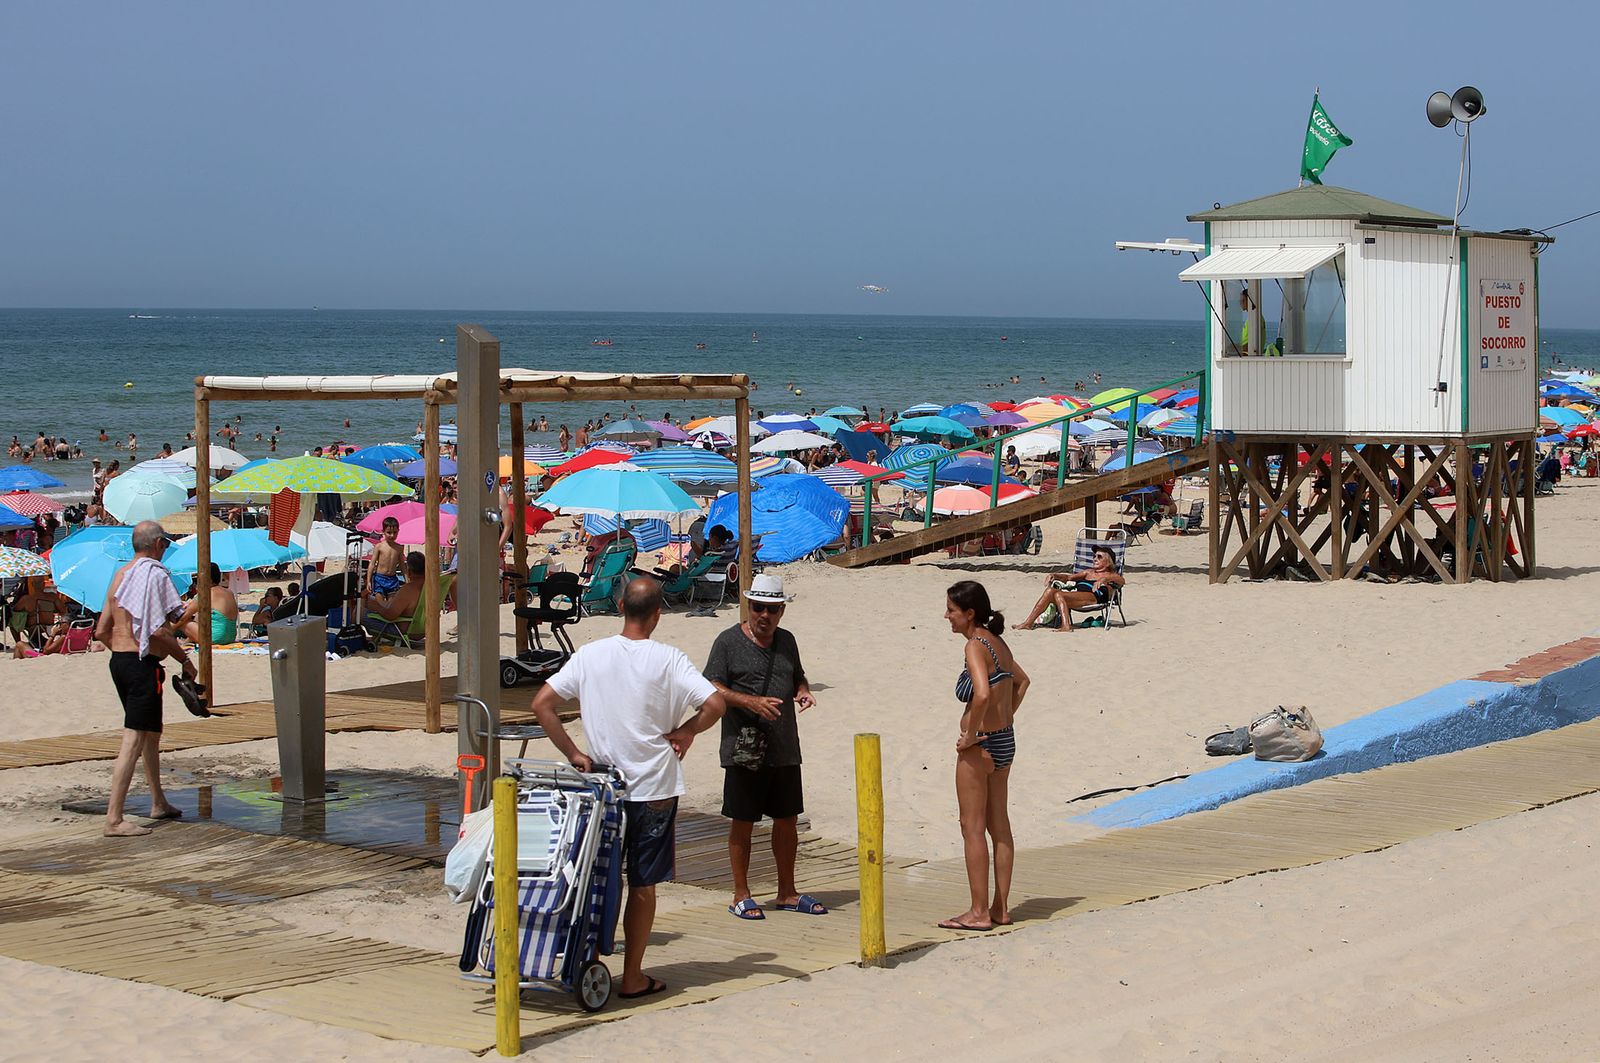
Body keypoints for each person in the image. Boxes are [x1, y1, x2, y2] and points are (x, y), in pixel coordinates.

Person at [530, 577, 727, 1000]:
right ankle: (633, 974)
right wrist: (687, 732)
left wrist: (573, 753)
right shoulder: (669, 659)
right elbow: (715, 705)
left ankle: (583, 954)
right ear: (658, 613)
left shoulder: (591, 654)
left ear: (621, 606)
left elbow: (542, 705)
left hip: (602, 787)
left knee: (591, 876)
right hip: (653, 787)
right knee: (643, 885)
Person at [705, 573, 823, 920]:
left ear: (781, 611)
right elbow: (710, 686)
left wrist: (802, 690)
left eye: (772, 610)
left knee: (787, 819)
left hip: (784, 746)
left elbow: (797, 675)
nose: (764, 616)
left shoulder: (786, 641)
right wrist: (749, 702)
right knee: (743, 821)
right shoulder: (727, 643)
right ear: (748, 606)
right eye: (759, 608)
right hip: (744, 748)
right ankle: (740, 893)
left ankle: (787, 891)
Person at [95, 520, 196, 837]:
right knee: (134, 737)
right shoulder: (154, 575)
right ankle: (113, 818)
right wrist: (184, 658)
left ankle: (158, 801)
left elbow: (101, 631)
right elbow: (161, 627)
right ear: (157, 545)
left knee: (151, 733)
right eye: (165, 545)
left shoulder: (121, 577)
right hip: (141, 665)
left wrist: (124, 652)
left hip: (120, 661)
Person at [940, 580, 1028, 931]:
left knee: (972, 827)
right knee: (999, 825)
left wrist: (973, 733)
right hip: (1005, 739)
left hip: (983, 745)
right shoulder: (998, 643)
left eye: (951, 610)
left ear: (969, 613)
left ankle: (978, 912)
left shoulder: (976, 646)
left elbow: (979, 695)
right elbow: (1022, 682)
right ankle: (1000, 908)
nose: (946, 616)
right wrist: (1004, 718)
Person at [1012, 546, 1126, 631]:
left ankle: (1066, 625)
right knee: (1050, 591)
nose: (1095, 559)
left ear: (1108, 562)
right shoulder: (1088, 572)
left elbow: (1122, 581)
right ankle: (1028, 623)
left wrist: (1103, 580)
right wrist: (1055, 575)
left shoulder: (1111, 575)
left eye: (1099, 557)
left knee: (1059, 594)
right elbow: (1069, 577)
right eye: (1094, 556)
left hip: (1093, 597)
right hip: (1077, 596)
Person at [179, 563, 239, 644]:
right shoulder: (229, 592)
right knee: (200, 616)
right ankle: (186, 641)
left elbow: (183, 617)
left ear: (208, 580)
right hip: (230, 637)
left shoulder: (206, 593)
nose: (197, 582)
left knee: (181, 622)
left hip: (214, 637)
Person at [366, 551, 426, 622]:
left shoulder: (409, 589)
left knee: (361, 613)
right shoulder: (431, 587)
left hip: (402, 628)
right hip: (422, 627)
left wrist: (375, 606)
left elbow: (390, 615)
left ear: (409, 571)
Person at [366, 516, 405, 598]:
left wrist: (407, 579)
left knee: (391, 603)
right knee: (380, 600)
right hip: (379, 578)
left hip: (392, 579)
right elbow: (372, 564)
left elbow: (402, 565)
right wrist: (368, 581)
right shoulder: (379, 546)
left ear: (398, 531)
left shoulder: (399, 548)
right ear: (383, 532)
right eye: (389, 532)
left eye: (395, 532)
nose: (392, 535)